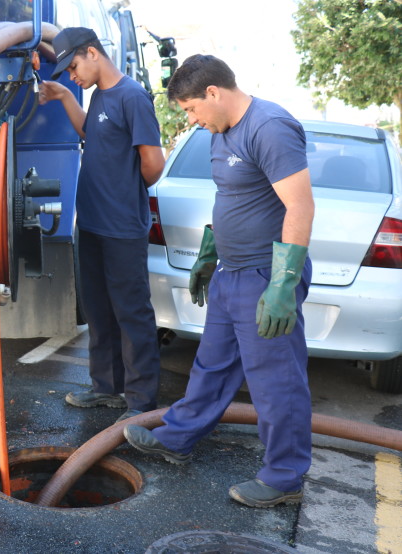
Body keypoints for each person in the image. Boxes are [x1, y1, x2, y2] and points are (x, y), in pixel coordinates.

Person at [123, 54, 315, 508]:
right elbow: (232, 195)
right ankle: (177, 437)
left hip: (266, 275)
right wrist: (210, 254)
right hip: (232, 272)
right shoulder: (219, 131)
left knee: (276, 382)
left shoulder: (269, 127)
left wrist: (283, 285)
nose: (191, 119)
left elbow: (300, 207)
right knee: (212, 365)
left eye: (191, 109)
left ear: (214, 92)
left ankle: (285, 477)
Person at [39, 27, 165, 423]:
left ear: (92, 52)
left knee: (131, 312)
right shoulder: (97, 97)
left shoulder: (132, 96)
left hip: (122, 226)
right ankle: (107, 388)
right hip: (90, 222)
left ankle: (141, 402)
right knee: (98, 309)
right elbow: (89, 134)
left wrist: (124, 189)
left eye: (73, 66)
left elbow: (154, 165)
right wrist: (62, 96)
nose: (72, 75)